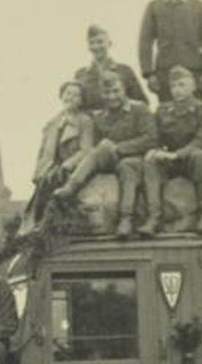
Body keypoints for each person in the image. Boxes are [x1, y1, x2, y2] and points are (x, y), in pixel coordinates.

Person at [53, 71, 158, 239]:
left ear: (124, 90)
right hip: (111, 159)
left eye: (116, 91)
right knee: (100, 150)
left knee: (126, 165)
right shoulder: (100, 117)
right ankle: (71, 187)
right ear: (102, 94)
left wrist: (119, 148)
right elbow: (93, 146)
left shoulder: (139, 109)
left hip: (137, 159)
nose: (112, 96)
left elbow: (151, 139)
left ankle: (126, 219)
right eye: (107, 92)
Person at [141, 65, 202, 237]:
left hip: (191, 160)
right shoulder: (163, 111)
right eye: (174, 86)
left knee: (200, 156)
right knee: (150, 160)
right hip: (170, 160)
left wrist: (177, 154)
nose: (177, 90)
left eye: (182, 85)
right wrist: (155, 150)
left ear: (193, 87)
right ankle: (154, 217)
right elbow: (154, 138)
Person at [24, 80, 94, 230]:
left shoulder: (85, 121)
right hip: (51, 168)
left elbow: (86, 150)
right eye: (68, 93)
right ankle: (36, 226)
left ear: (81, 101)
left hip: (73, 167)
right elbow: (43, 152)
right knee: (43, 187)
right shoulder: (52, 122)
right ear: (61, 95)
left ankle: (45, 225)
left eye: (76, 95)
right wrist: (38, 172)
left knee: (54, 184)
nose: (71, 97)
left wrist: (68, 164)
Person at [74, 25, 148, 111]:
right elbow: (76, 107)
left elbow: (141, 103)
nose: (96, 46)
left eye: (100, 42)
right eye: (91, 43)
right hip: (91, 122)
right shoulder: (81, 75)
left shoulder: (125, 71)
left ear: (109, 44)